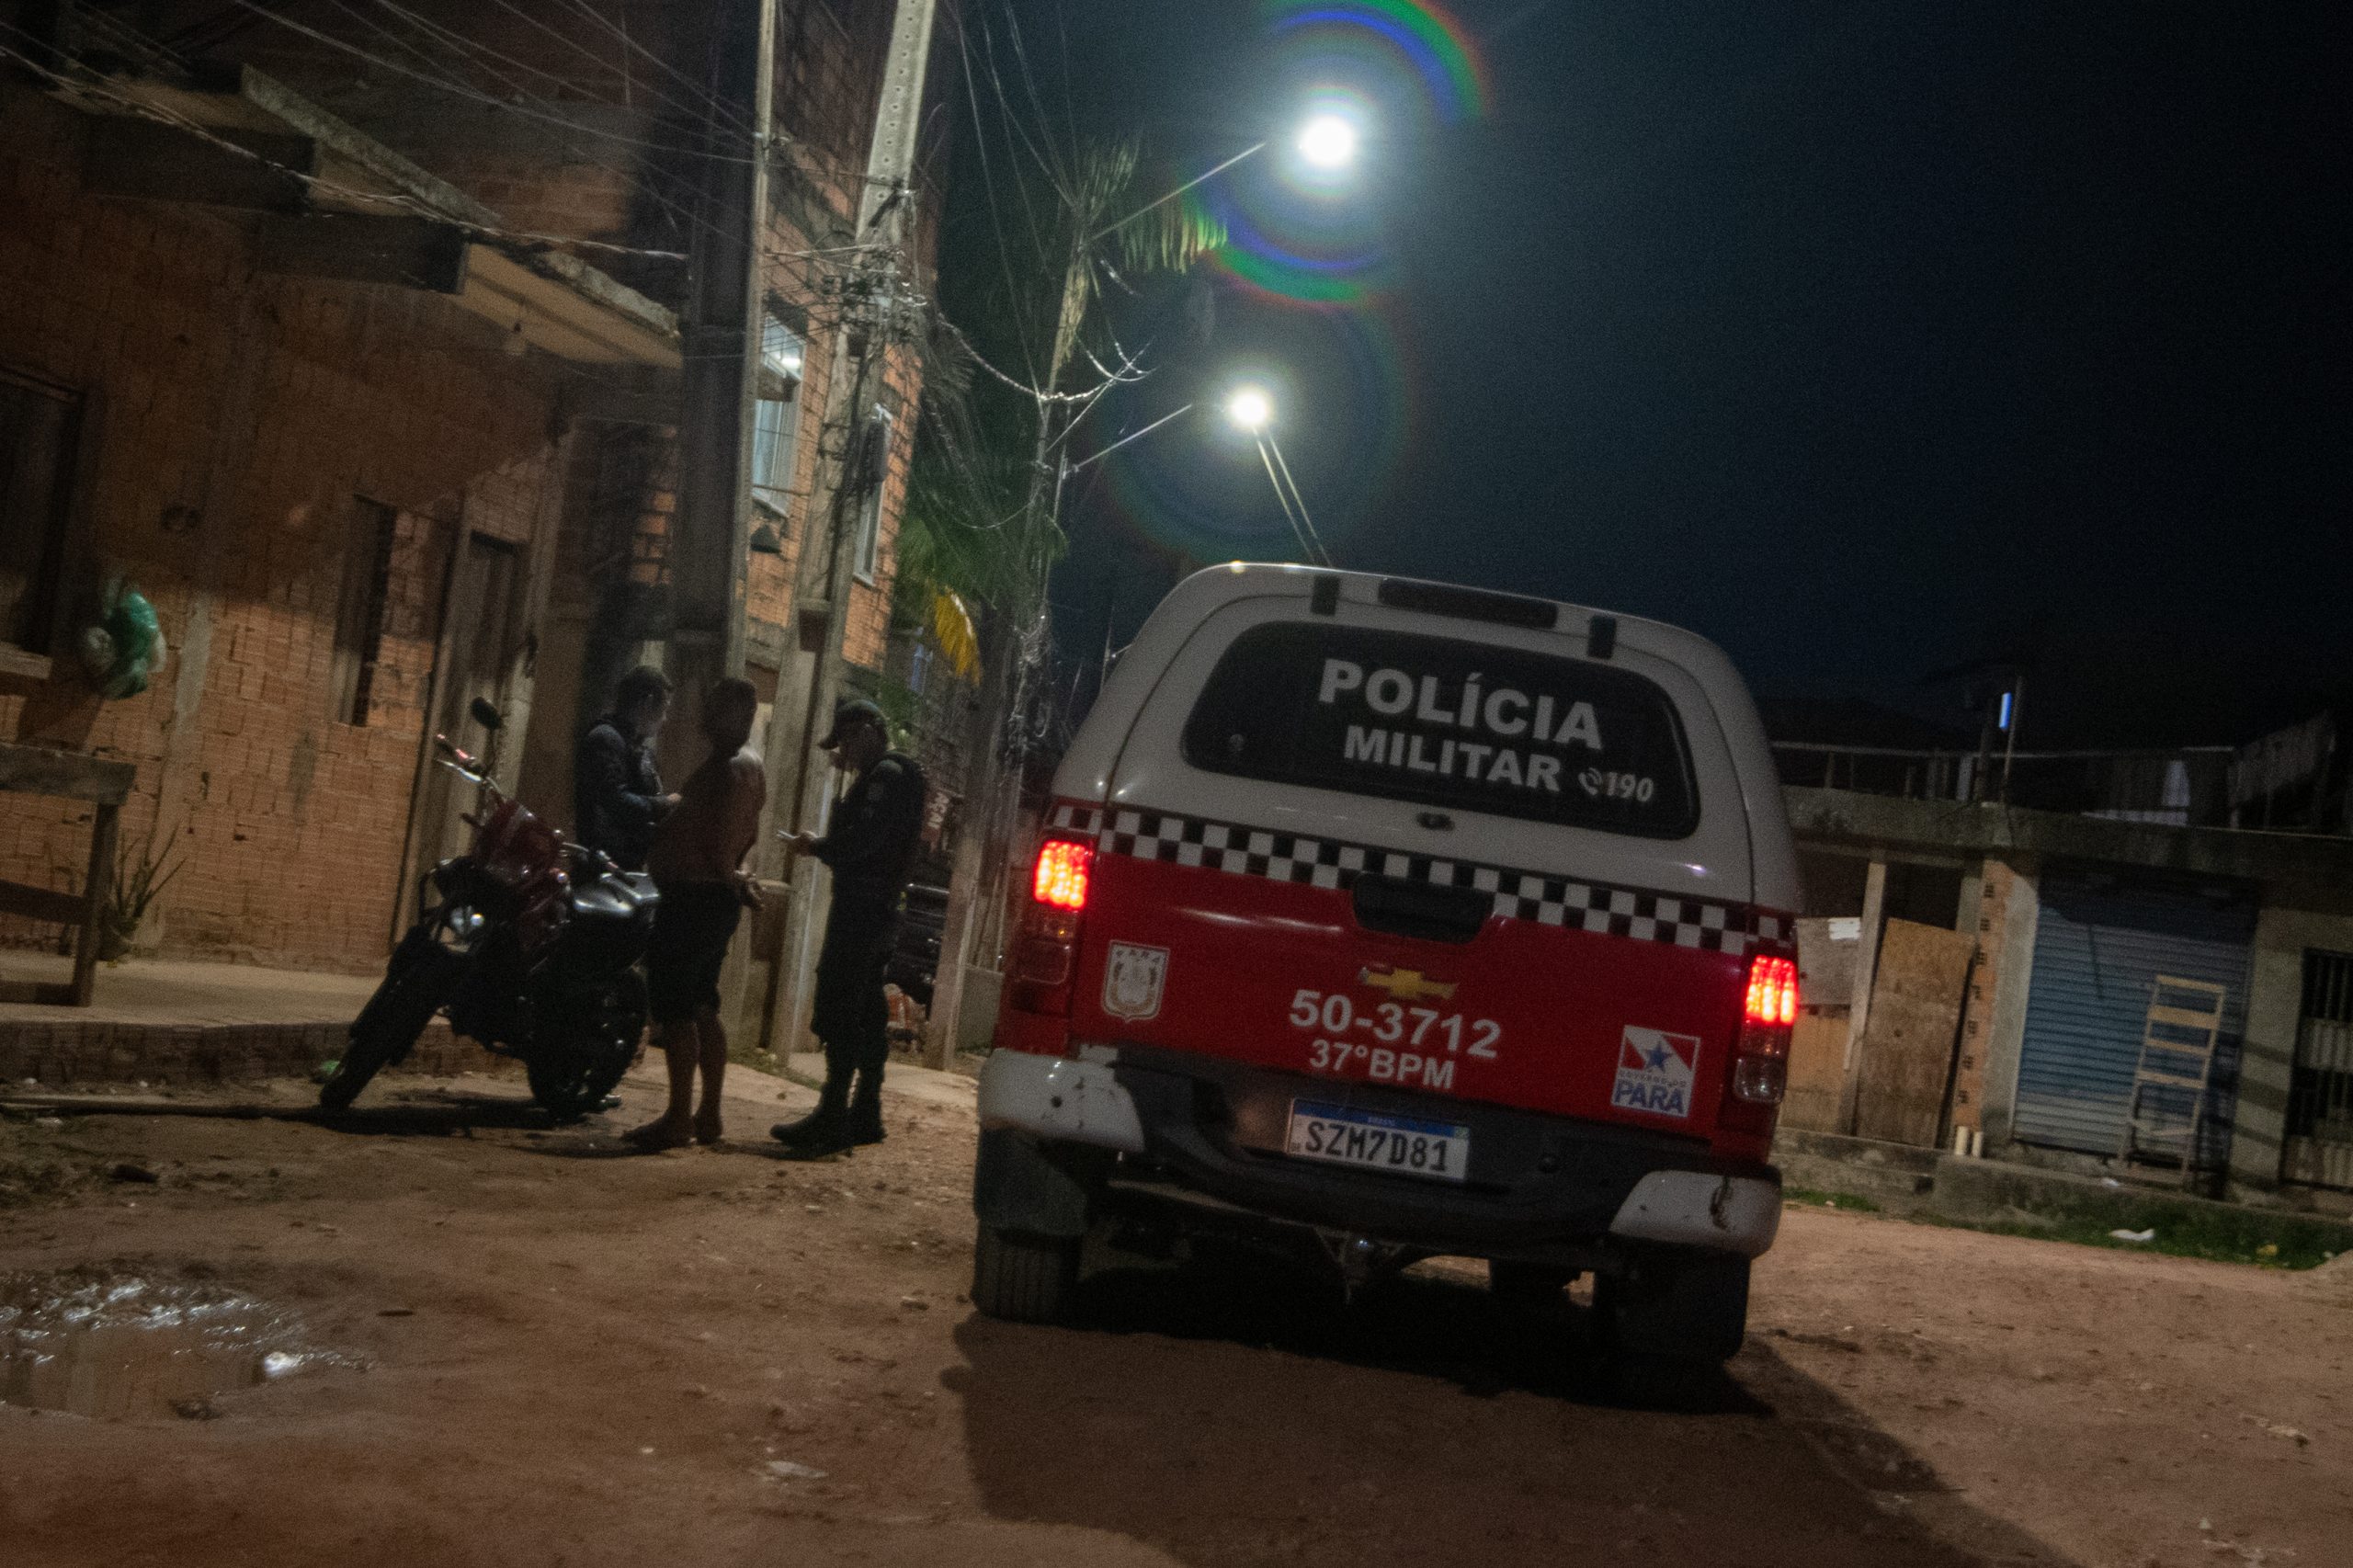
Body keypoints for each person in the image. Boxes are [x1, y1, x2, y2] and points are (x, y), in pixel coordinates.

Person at [773, 699, 926, 1157]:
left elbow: (863, 841)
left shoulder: (886, 777)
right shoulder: (892, 776)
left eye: (846, 741)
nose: (844, 752)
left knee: (840, 1000)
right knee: (866, 1007)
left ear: (867, 731)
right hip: (876, 908)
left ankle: (834, 1113)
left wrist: (817, 846)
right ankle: (865, 1110)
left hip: (863, 909)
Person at [625, 678, 766, 1151]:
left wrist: (731, 875)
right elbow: (749, 837)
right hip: (711, 900)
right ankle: (708, 1114)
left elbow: (720, 843)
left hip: (694, 901)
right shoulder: (750, 768)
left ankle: (679, 1116)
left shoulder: (726, 772)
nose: (707, 718)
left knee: (679, 1008)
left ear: (737, 716)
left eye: (717, 709)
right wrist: (737, 877)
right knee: (704, 1004)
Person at [574, 665, 676, 870]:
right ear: (647, 703)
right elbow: (613, 800)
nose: (664, 719)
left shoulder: (635, 745)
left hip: (627, 865)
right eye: (664, 709)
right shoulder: (606, 739)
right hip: (604, 867)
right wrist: (663, 805)